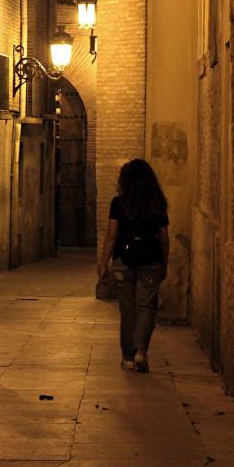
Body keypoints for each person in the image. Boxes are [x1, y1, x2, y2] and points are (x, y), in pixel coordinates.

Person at [96, 159, 170, 372]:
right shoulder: (158, 205)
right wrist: (164, 264)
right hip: (151, 263)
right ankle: (141, 352)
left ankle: (128, 357)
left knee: (127, 310)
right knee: (146, 308)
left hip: (123, 263)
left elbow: (111, 236)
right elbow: (164, 239)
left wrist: (103, 264)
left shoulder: (118, 204)